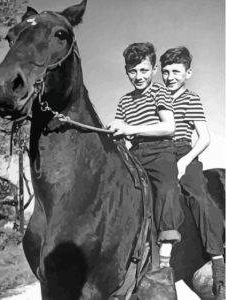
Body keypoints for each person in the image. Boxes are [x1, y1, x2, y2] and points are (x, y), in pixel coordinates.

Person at [107, 42, 185, 269]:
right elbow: (121, 131)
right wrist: (115, 132)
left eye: (143, 70)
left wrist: (130, 128)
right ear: (126, 71)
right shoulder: (124, 101)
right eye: (133, 71)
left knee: (167, 187)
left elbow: (168, 127)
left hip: (161, 150)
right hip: (135, 154)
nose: (138, 76)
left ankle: (165, 252)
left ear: (154, 70)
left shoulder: (159, 91)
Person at [160, 46, 225, 297]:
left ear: (188, 72)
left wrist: (185, 161)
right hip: (159, 154)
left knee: (199, 198)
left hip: (185, 153)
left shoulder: (191, 98)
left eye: (176, 71)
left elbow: (204, 137)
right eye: (165, 72)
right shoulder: (157, 97)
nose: (170, 77)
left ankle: (217, 259)